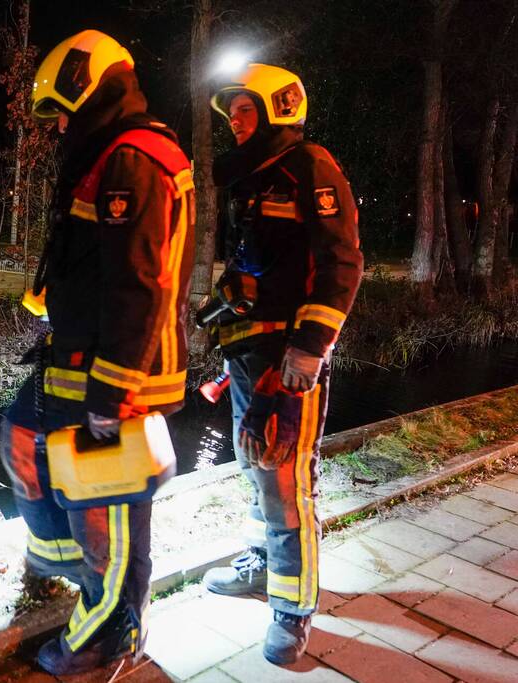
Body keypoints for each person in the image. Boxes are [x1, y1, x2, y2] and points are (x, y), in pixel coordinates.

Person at [0, 30, 195, 676]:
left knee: (106, 510)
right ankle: (73, 579)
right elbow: (87, 262)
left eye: (60, 112)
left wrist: (110, 394)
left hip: (112, 374)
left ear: (86, 88)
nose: (56, 128)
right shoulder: (110, 152)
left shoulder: (133, 159)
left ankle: (97, 635)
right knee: (23, 434)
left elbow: (138, 286)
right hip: (77, 358)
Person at [201, 64, 363, 665]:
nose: (236, 123)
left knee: (285, 477)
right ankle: (263, 563)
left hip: (287, 356)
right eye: (232, 114)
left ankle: (293, 611)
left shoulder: (311, 168)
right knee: (254, 462)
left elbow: (341, 263)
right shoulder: (254, 178)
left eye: (247, 111)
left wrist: (308, 347)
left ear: (278, 109)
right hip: (247, 350)